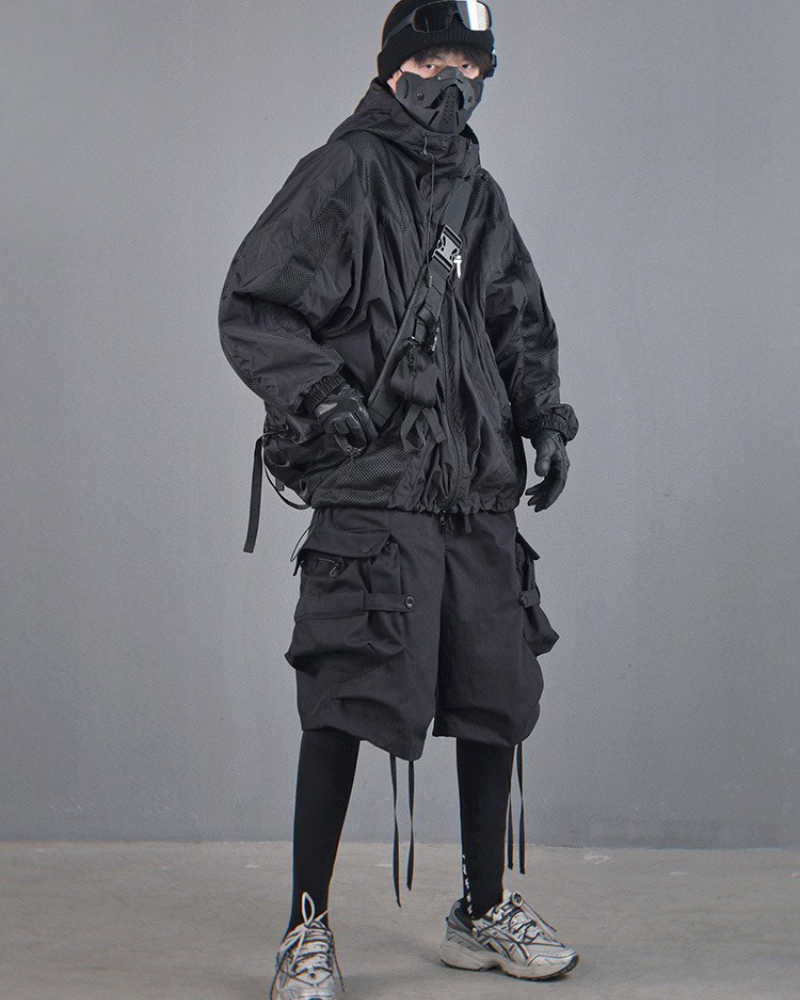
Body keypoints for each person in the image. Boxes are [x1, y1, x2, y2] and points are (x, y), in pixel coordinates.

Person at [218, 2, 580, 996]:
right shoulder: (342, 171)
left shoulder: (477, 193)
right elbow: (255, 304)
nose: (453, 80)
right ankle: (305, 927)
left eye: (471, 63)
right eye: (435, 58)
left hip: (474, 488)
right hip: (375, 488)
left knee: (493, 694)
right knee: (345, 692)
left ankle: (479, 907)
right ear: (394, 68)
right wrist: (321, 397)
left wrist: (543, 418)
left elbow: (516, 319)